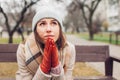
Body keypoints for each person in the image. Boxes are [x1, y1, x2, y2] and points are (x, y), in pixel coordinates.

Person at [16, 6, 76, 80]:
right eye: (42, 24)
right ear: (35, 30)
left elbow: (67, 77)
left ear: (60, 28)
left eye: (54, 23)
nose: (48, 29)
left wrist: (56, 67)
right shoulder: (23, 49)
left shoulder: (69, 49)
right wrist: (44, 67)